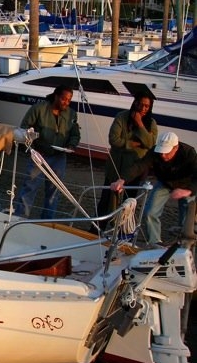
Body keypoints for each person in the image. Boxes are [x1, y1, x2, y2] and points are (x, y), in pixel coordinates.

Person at [110, 132, 197, 246]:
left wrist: (188, 190)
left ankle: (183, 246)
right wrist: (122, 180)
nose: (163, 155)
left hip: (187, 185)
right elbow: (140, 165)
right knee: (150, 212)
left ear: (176, 148)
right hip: (164, 182)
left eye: (166, 152)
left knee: (186, 221)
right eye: (161, 152)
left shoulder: (189, 153)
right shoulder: (155, 152)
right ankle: (155, 242)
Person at [13, 85, 81, 219]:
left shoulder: (71, 114)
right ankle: (20, 216)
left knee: (54, 191)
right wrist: (33, 144)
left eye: (69, 100)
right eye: (63, 99)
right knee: (30, 187)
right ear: (56, 96)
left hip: (59, 157)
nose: (66, 103)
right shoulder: (38, 109)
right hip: (39, 154)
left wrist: (72, 145)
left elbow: (75, 134)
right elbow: (25, 128)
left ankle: (47, 221)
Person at [96, 91, 158, 223]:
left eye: (146, 106)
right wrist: (133, 144)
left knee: (128, 203)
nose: (143, 108)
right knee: (106, 201)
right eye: (140, 104)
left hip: (134, 170)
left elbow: (150, 143)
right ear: (135, 103)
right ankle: (96, 230)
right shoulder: (121, 117)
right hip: (115, 166)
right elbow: (113, 140)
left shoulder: (151, 123)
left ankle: (121, 233)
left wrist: (140, 124)